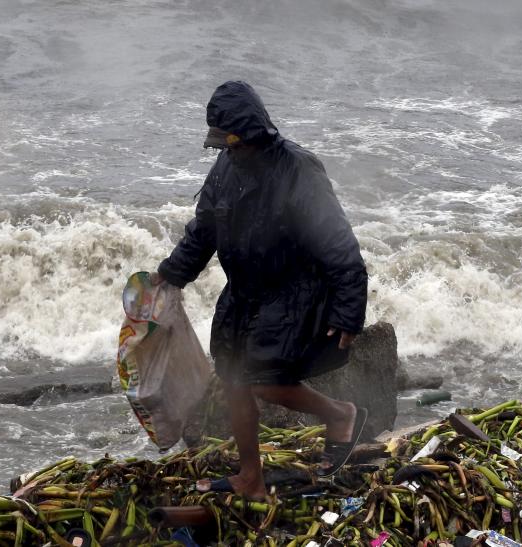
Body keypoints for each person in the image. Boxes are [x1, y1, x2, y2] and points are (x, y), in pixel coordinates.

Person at [155, 81, 369, 500]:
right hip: (243, 292)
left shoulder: (298, 170)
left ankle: (341, 414)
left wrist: (348, 310)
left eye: (234, 145)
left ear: (255, 134)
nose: (228, 153)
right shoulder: (225, 168)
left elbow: (338, 243)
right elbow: (204, 231)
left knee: (266, 382)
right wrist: (170, 273)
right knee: (233, 377)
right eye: (222, 147)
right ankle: (250, 478)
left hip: (293, 293)